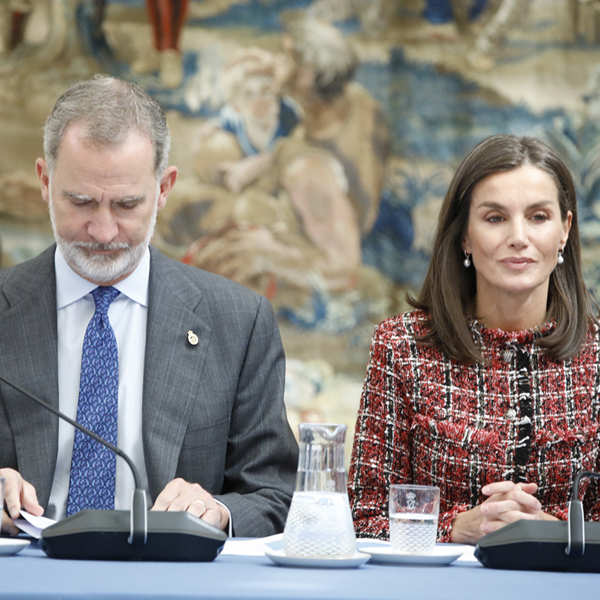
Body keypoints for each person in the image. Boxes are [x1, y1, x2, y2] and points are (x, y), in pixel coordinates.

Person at [0, 74, 298, 537]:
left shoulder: (238, 323)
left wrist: (218, 512)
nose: (102, 231)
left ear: (164, 188)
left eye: (126, 205)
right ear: (44, 180)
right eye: (81, 202)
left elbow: (274, 494)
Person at [348, 134, 600, 545]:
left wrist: (558, 535)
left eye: (538, 217)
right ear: (465, 235)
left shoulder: (597, 356)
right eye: (495, 218)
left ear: (565, 230)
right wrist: (454, 528)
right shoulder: (402, 347)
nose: (519, 236)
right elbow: (363, 517)